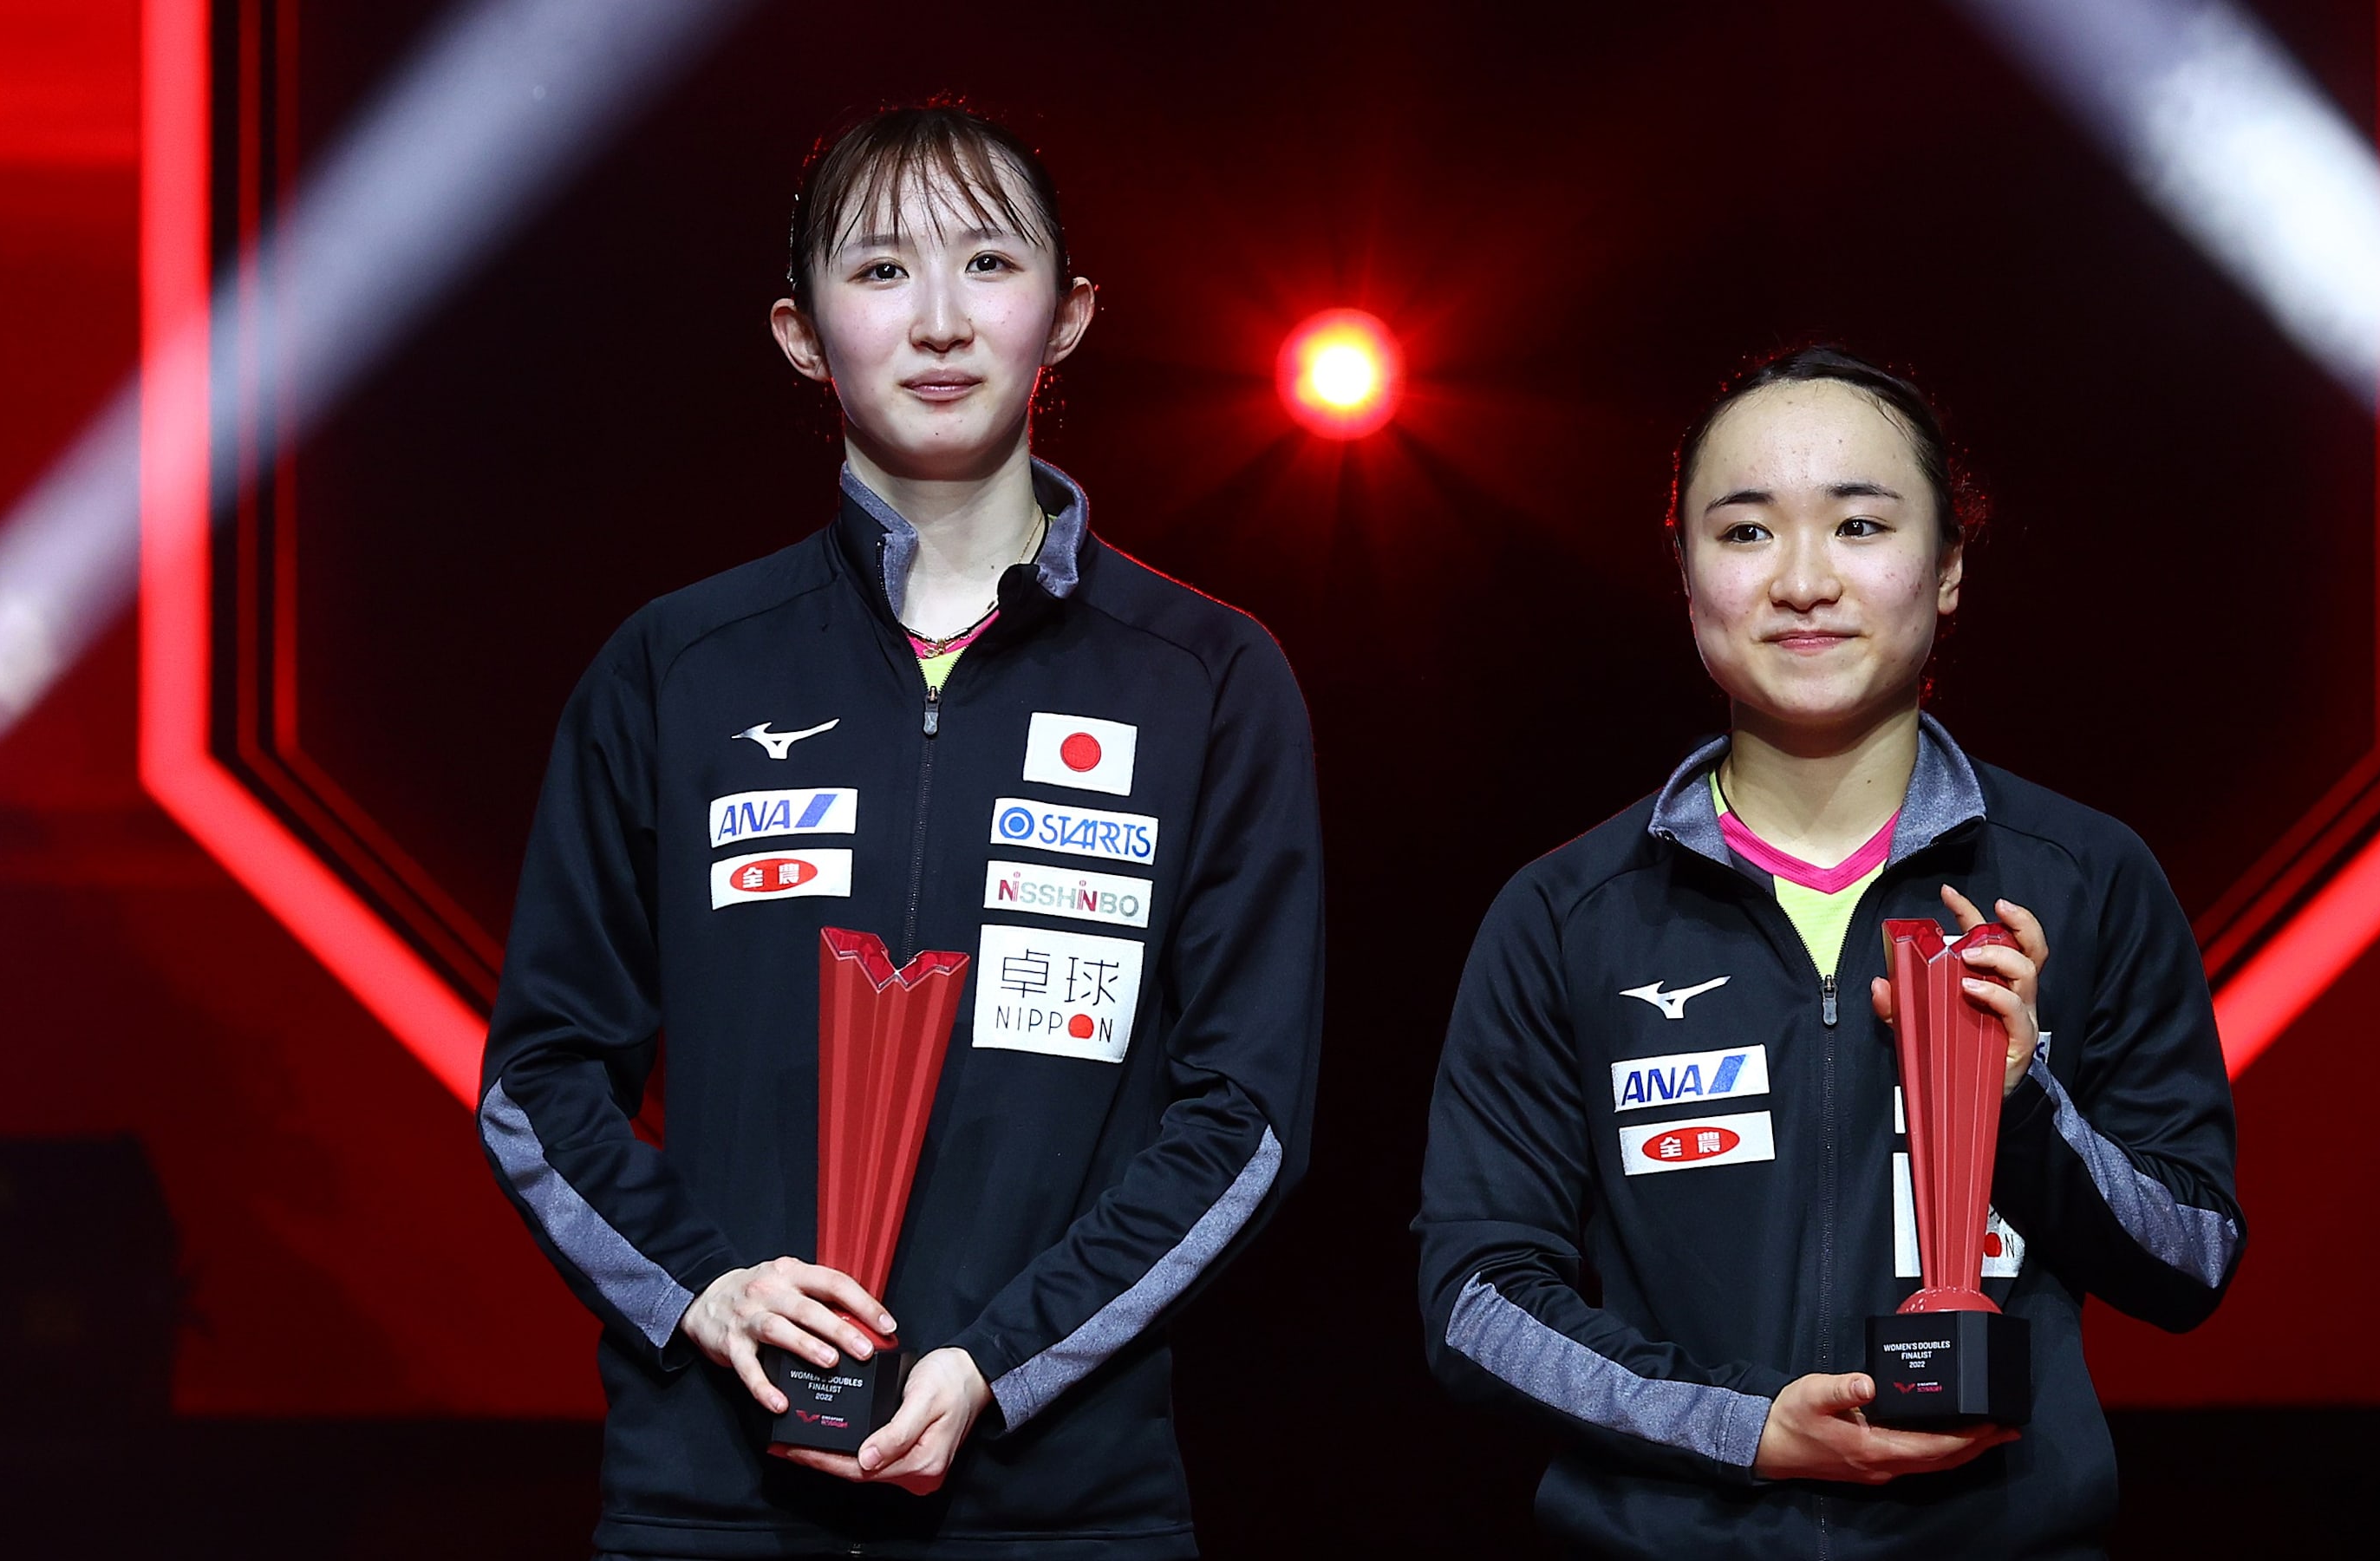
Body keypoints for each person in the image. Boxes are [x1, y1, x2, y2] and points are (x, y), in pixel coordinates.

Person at [479, 105, 1323, 1559]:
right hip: (715, 1507)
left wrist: (1003, 1361)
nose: (939, 320)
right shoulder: (679, 668)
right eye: (879, 272)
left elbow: (1242, 1115)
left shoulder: (1205, 679)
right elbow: (541, 1075)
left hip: (1063, 1508)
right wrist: (705, 1292)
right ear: (802, 335)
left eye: (989, 263)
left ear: (1068, 314)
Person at [1413, 347, 2243, 1558]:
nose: (1803, 582)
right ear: (1686, 575)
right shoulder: (1567, 915)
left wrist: (2026, 1106)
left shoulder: (2085, 877)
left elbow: (2194, 1261)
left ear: (1948, 568)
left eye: (1860, 525)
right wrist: (1749, 1429)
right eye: (1745, 532)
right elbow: (1478, 1305)